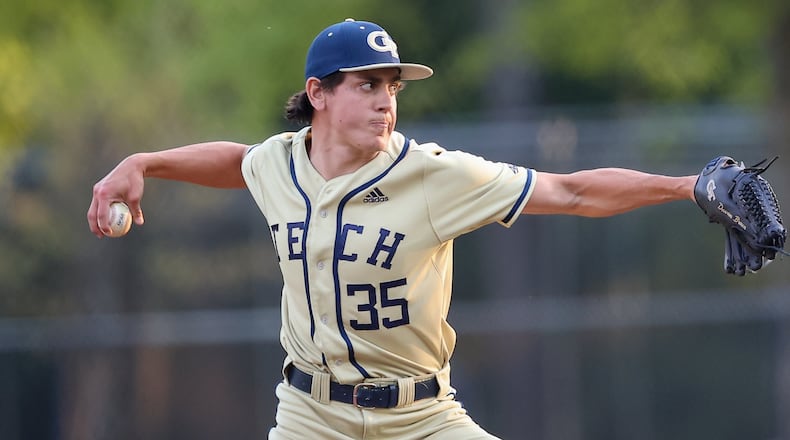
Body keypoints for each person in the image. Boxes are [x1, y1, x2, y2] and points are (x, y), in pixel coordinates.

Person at [88, 18, 697, 440]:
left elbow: (571, 191)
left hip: (420, 417)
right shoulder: (280, 163)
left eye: (392, 86)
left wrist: (686, 187)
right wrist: (145, 163)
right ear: (318, 94)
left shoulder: (433, 175)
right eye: (368, 84)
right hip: (310, 415)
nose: (387, 100)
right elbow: (239, 162)